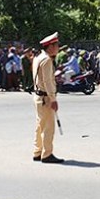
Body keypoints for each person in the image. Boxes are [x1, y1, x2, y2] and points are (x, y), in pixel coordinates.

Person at [32, 32, 64, 164]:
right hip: (45, 97)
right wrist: (53, 99)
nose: (58, 48)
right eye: (56, 45)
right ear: (50, 46)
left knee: (40, 125)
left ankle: (37, 151)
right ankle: (47, 154)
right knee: (49, 127)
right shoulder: (47, 60)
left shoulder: (38, 58)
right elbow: (48, 81)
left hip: (38, 95)